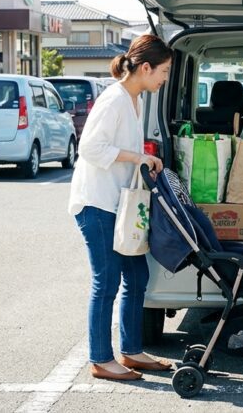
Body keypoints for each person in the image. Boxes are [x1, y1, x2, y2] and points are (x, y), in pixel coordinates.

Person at [67, 35, 174, 381]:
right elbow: (91, 148)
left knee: (137, 275)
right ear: (145, 68)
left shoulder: (133, 99)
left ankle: (131, 351)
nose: (165, 78)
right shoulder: (114, 99)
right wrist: (139, 156)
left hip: (118, 204)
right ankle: (101, 359)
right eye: (164, 71)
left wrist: (145, 160)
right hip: (97, 203)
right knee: (107, 280)